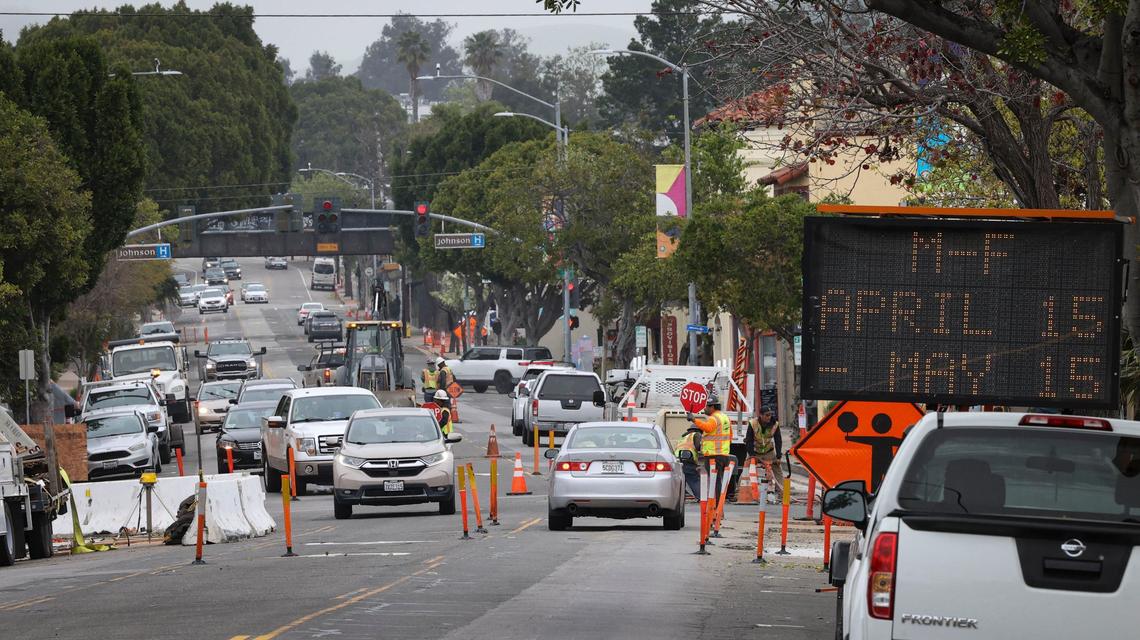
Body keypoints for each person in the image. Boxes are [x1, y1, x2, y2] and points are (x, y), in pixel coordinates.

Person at [687, 390, 734, 505]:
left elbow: (707, 428)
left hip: (714, 456)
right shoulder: (725, 417)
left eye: (706, 407)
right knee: (719, 481)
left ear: (712, 407)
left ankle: (716, 507)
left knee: (715, 482)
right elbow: (730, 435)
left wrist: (694, 419)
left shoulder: (713, 418)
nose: (705, 409)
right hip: (724, 455)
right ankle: (718, 507)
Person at [756, 407, 785, 503]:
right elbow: (748, 440)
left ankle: (783, 493)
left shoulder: (774, 425)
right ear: (761, 415)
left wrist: (778, 456)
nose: (769, 417)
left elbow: (778, 440)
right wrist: (752, 455)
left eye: (770, 415)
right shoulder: (753, 424)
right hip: (756, 451)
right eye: (767, 415)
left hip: (768, 451)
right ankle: (739, 492)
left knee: (777, 468)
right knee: (746, 468)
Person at [674, 425, 703, 500]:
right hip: (688, 459)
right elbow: (698, 447)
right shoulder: (696, 434)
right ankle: (701, 498)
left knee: (682, 481)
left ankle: (679, 499)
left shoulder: (683, 436)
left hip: (677, 460)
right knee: (694, 480)